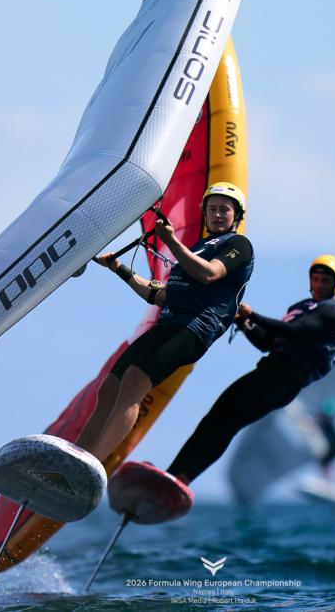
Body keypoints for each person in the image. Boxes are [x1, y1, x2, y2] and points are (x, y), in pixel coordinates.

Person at [75, 183, 254, 462]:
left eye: (224, 210)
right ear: (204, 212)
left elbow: (208, 274)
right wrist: (119, 268)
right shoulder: (196, 248)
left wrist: (170, 241)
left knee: (133, 383)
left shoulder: (238, 245)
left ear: (237, 216)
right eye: (213, 209)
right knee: (109, 387)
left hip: (194, 328)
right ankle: (72, 457)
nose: (218, 214)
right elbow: (159, 296)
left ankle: (90, 463)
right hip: (169, 323)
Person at [166, 254, 335, 485]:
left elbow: (291, 331)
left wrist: (252, 315)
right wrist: (243, 323)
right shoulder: (302, 308)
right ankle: (172, 474)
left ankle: (182, 478)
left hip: (285, 380)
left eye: (326, 281)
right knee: (215, 418)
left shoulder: (334, 313)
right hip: (268, 372)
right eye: (316, 279)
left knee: (227, 423)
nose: (320, 285)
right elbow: (267, 343)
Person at [314, 397, 335, 481]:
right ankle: (329, 479)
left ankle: (329, 480)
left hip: (332, 446)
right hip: (333, 446)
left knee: (325, 463)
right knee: (325, 464)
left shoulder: (327, 424)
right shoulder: (328, 424)